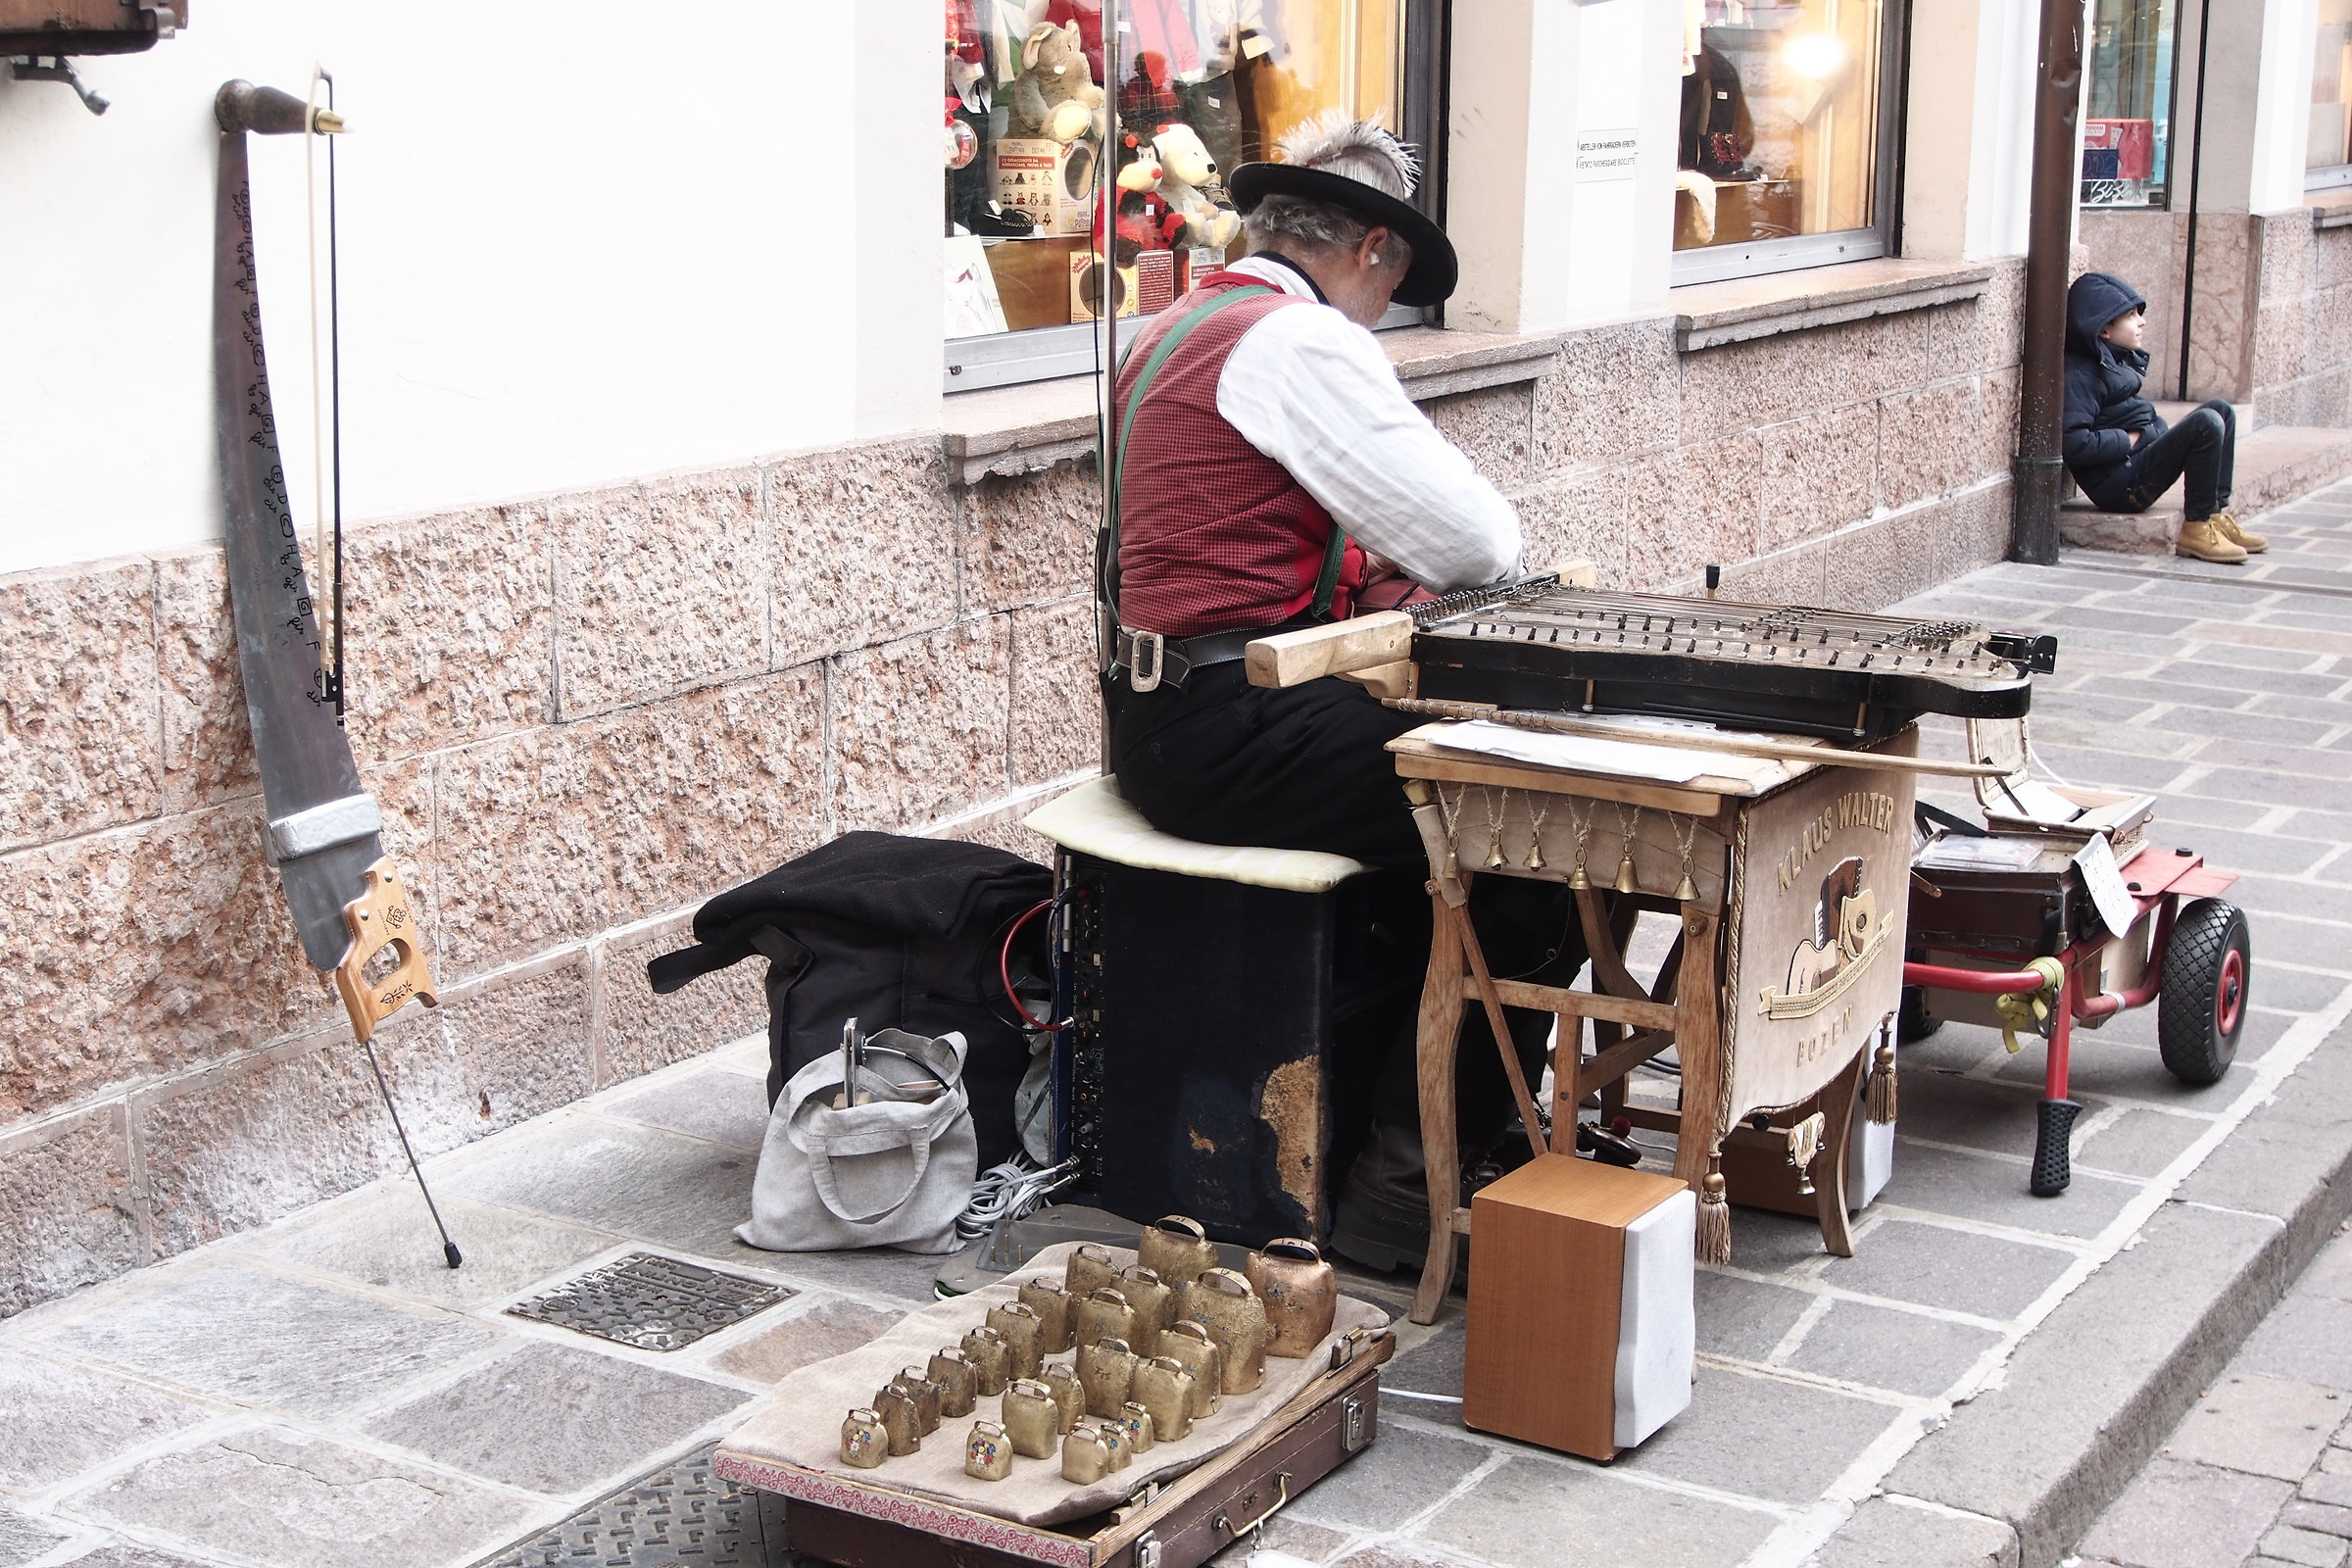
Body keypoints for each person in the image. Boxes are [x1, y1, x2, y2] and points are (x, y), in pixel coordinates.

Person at [1099, 111, 1588, 1272]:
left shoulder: (1178, 325)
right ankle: (1407, 1190)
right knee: (1533, 831)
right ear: (1369, 248)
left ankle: (1432, 1135)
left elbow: (1261, 538)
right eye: (1392, 286)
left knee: (1449, 821)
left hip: (1166, 716)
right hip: (1231, 729)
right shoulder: (1297, 341)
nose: (1382, 314)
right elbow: (1477, 542)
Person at [2063, 271, 2267, 564]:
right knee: (2206, 424)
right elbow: (2073, 443)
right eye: (2131, 316)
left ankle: (2213, 514)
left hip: (2134, 462)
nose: (2142, 322)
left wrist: (2150, 432)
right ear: (2104, 329)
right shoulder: (2080, 376)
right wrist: (2130, 439)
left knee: (2222, 410)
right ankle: (2196, 528)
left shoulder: (2113, 360)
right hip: (2121, 488)